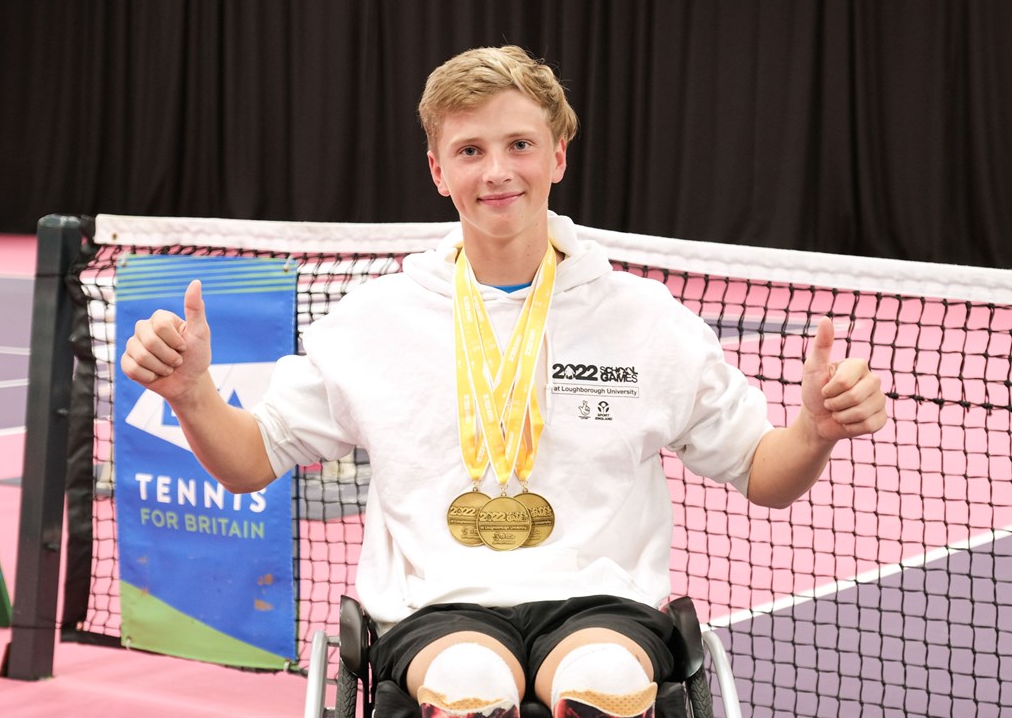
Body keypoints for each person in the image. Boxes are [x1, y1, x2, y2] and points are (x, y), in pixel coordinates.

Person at [121, 46, 888, 718]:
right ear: (437, 169)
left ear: (557, 156)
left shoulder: (648, 319)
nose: (497, 171)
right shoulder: (376, 318)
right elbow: (252, 459)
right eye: (469, 150)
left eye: (520, 143)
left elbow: (763, 472)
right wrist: (192, 394)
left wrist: (814, 431)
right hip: (434, 610)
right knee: (468, 681)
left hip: (603, 607)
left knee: (605, 678)